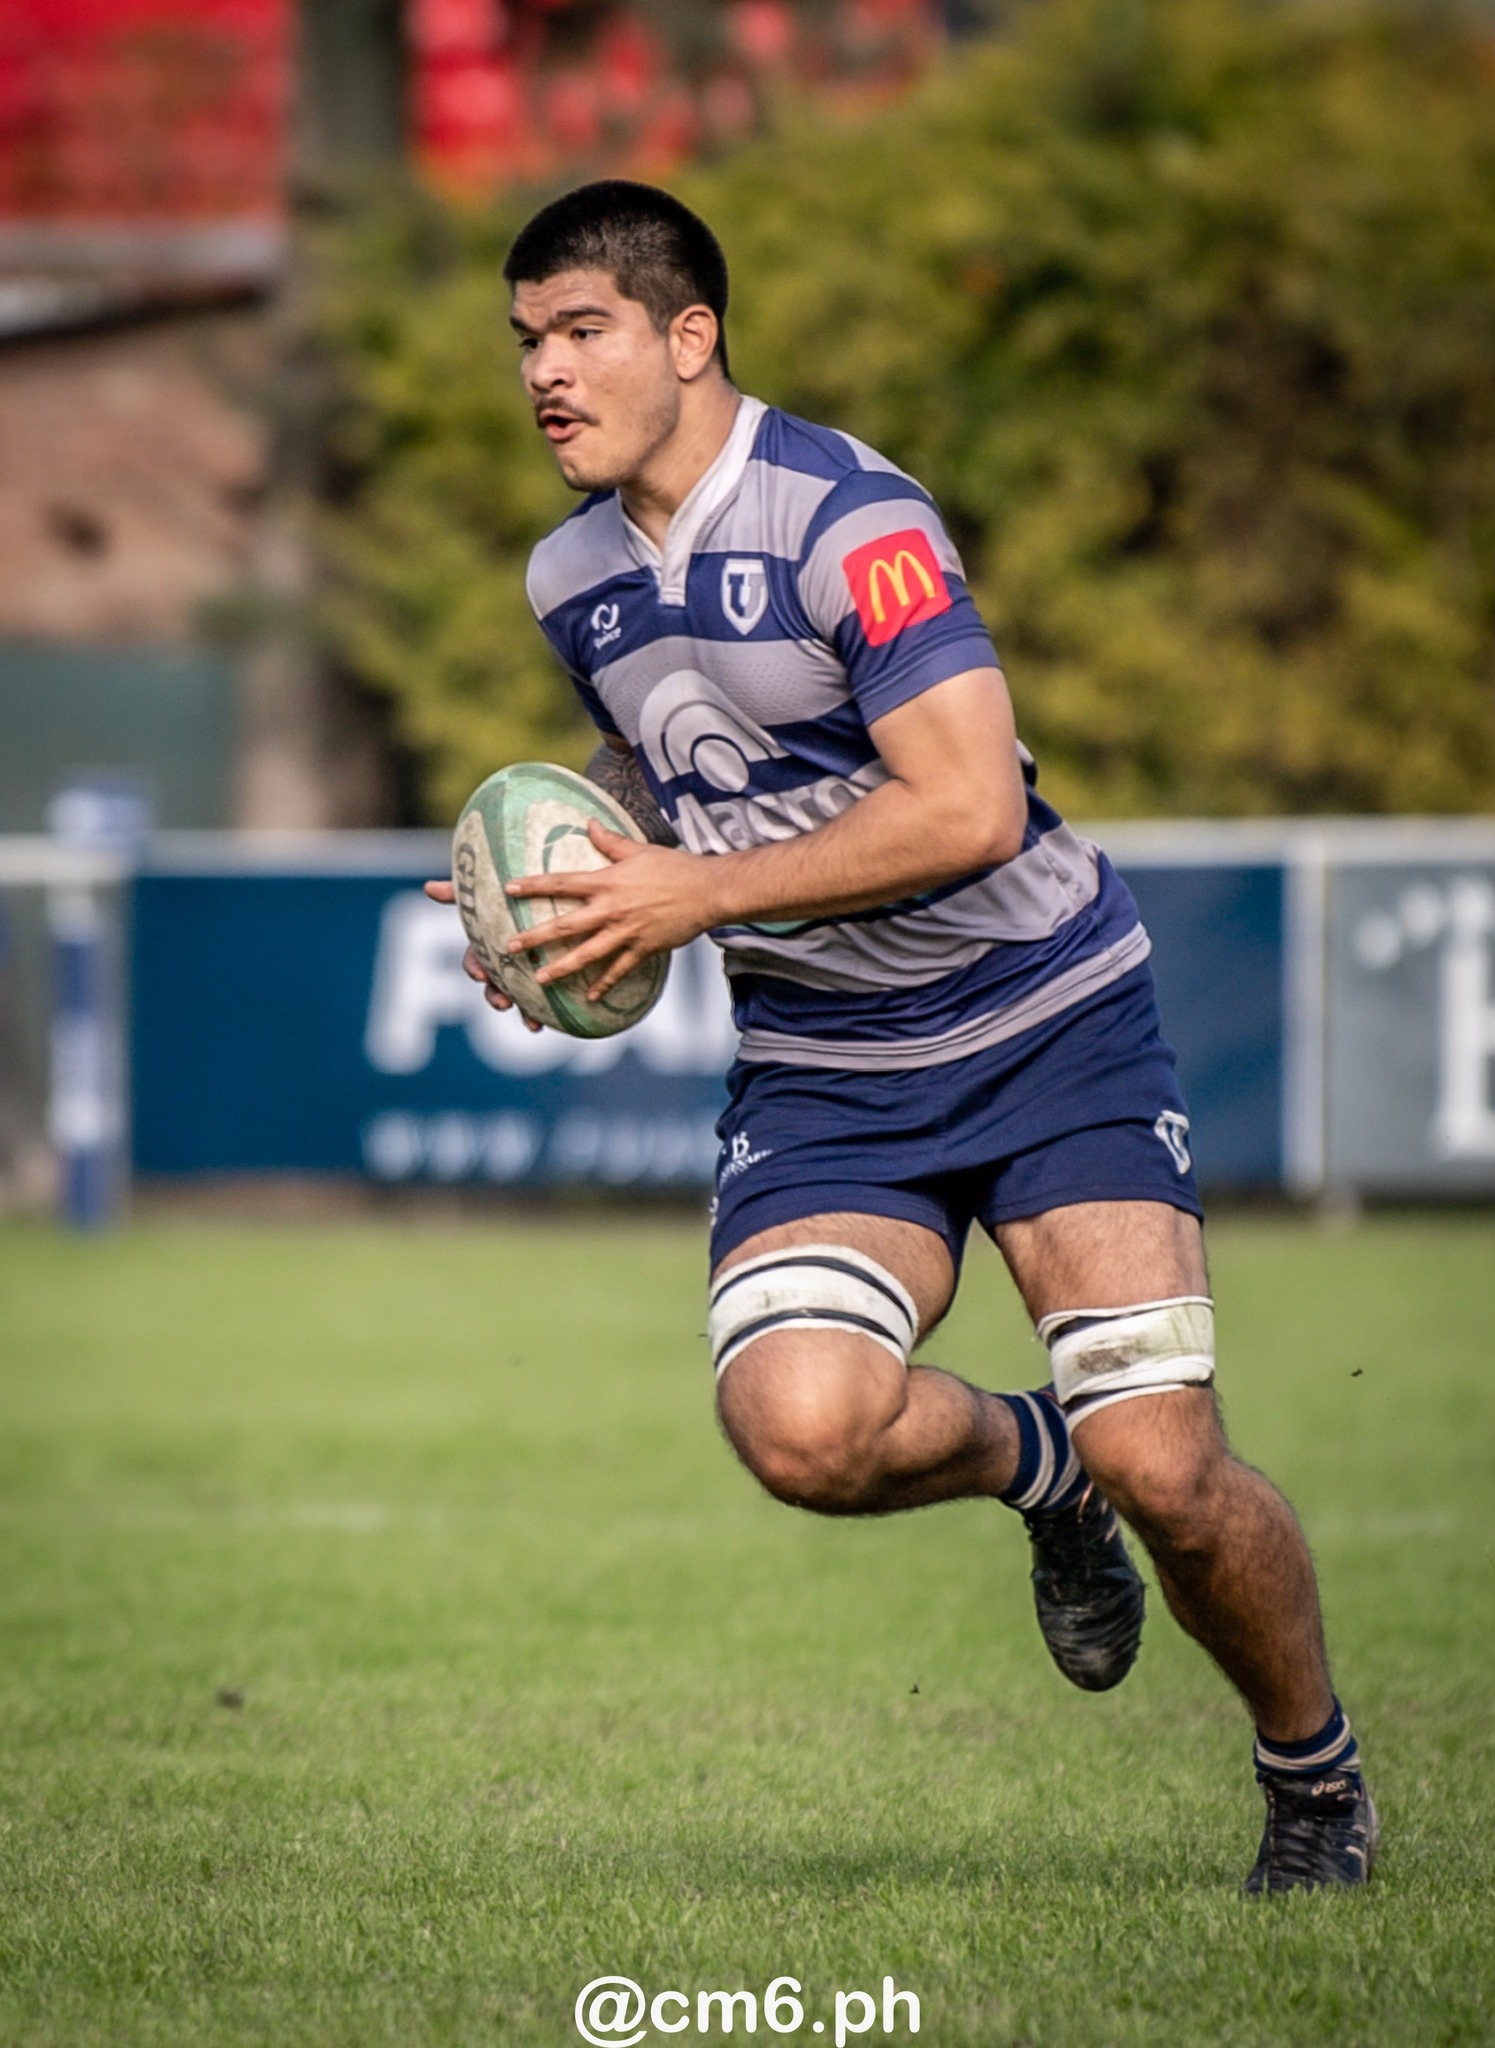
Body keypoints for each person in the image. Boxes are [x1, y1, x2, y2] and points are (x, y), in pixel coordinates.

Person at [426, 180, 1374, 1893]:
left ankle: (1315, 1781)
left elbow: (968, 811)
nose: (545, 374)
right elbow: (684, 765)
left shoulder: (848, 517)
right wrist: (556, 896)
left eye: (581, 332)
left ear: (689, 336)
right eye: (526, 344)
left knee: (1170, 1463)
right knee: (800, 1429)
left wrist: (690, 904)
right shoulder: (568, 576)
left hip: (1044, 1020)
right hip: (828, 1063)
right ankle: (1039, 1471)